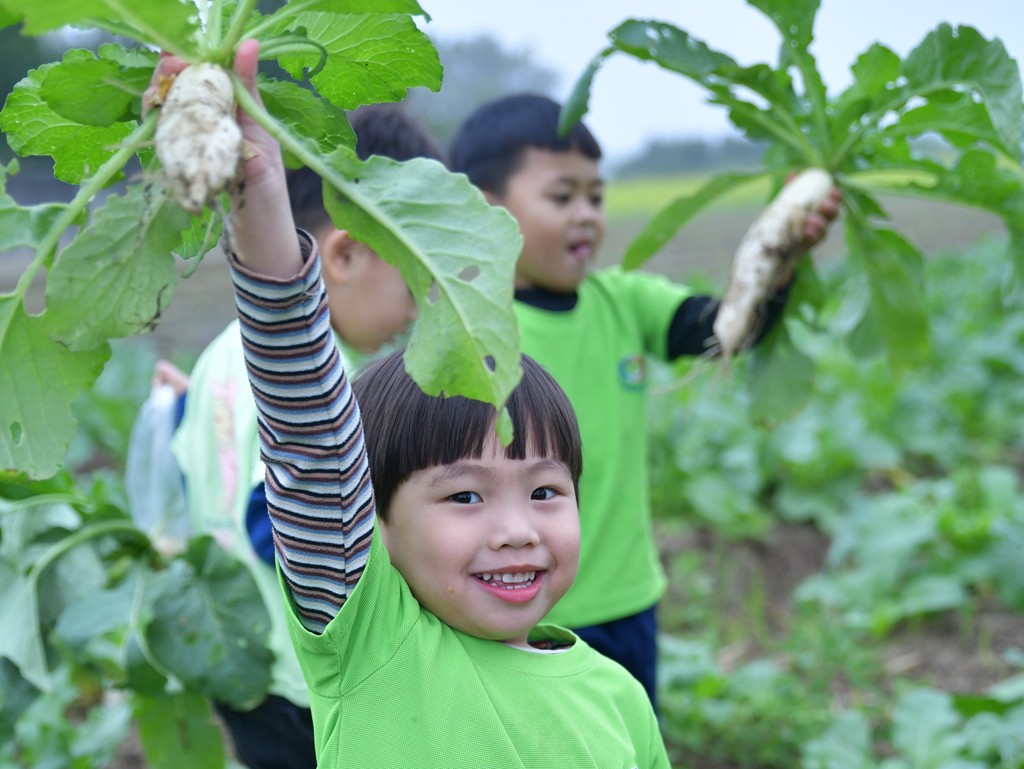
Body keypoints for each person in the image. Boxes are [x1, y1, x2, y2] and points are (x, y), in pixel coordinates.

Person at [150, 41, 670, 768]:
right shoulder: (380, 649)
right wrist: (257, 201)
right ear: (374, 527)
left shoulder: (618, 696)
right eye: (464, 495)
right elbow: (310, 438)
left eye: (545, 491)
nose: (517, 531)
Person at [449, 93, 841, 708]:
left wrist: (784, 248)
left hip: (628, 600)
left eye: (596, 197)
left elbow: (727, 328)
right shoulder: (464, 330)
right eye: (562, 197)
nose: (586, 215)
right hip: (517, 607)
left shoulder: (624, 303)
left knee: (632, 741)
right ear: (485, 209)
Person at [161, 103, 447, 769]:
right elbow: (279, 527)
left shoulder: (221, 353)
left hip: (239, 655)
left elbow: (193, 456)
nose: (416, 315)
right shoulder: (328, 388)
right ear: (344, 255)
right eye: (414, 289)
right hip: (310, 677)